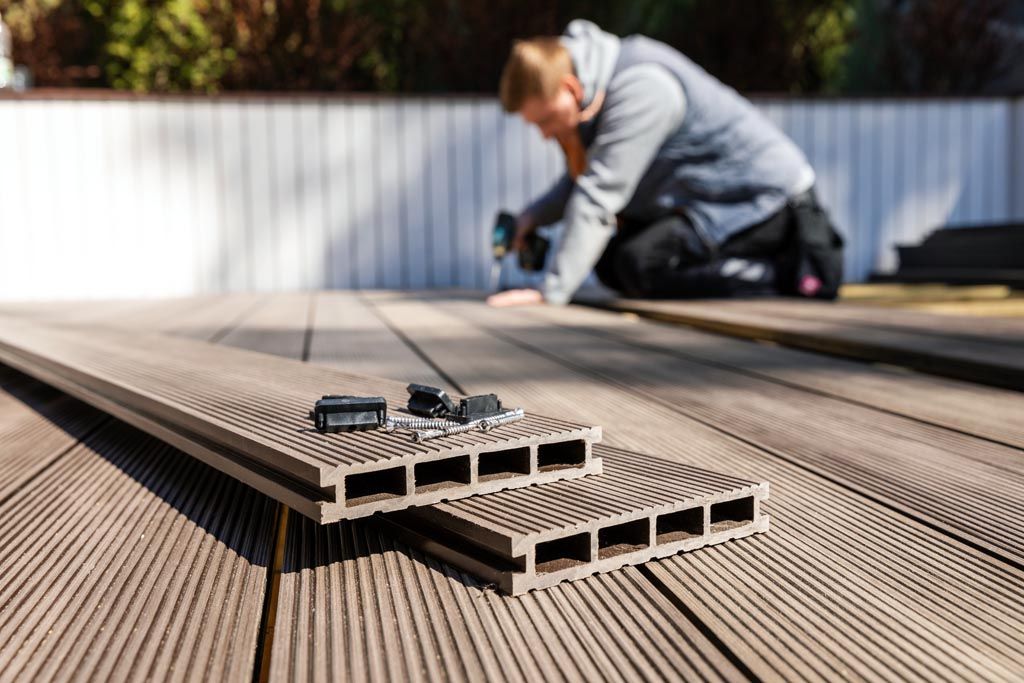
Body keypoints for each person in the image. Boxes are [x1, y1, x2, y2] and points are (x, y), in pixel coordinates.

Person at [487, 20, 844, 308]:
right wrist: (529, 219)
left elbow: (599, 194)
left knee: (639, 263)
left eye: (546, 120)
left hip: (763, 201)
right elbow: (582, 182)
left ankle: (785, 273)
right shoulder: (597, 90)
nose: (545, 134)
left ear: (571, 88)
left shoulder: (641, 88)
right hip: (707, 203)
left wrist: (550, 294)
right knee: (611, 262)